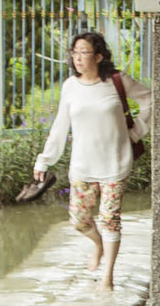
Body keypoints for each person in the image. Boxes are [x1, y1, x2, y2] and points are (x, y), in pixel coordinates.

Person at [33, 32, 151, 291]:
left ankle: (107, 275)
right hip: (83, 165)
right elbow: (60, 125)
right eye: (74, 52)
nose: (77, 57)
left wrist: (135, 133)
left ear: (98, 56)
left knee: (110, 219)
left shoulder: (117, 82)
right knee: (79, 220)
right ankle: (97, 245)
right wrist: (44, 160)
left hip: (115, 163)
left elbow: (150, 100)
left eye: (84, 52)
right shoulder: (70, 86)